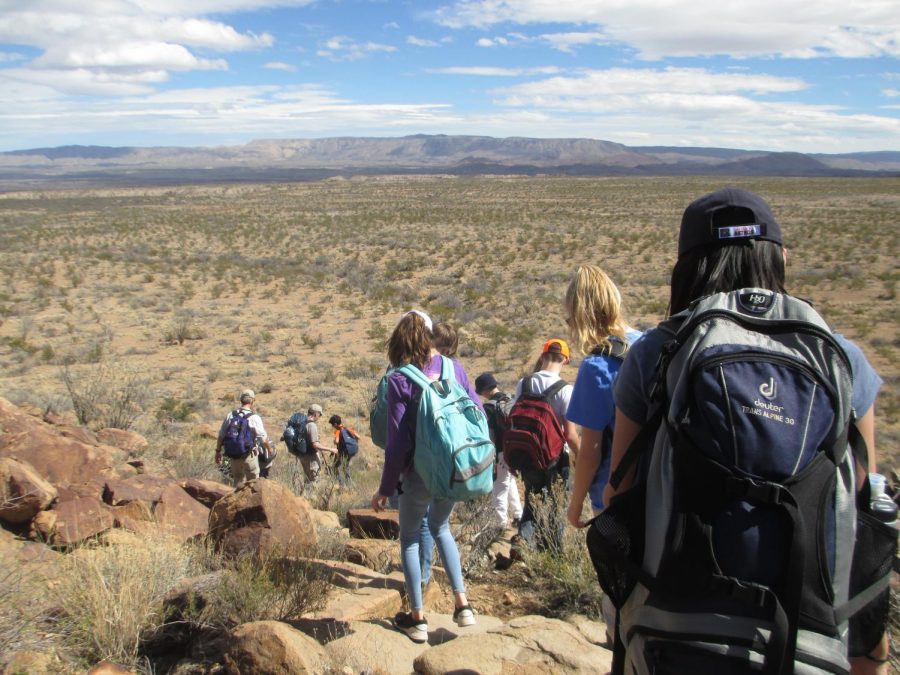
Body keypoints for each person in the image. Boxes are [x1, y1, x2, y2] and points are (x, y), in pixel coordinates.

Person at [607, 187, 886, 674]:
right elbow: (859, 507)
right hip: (808, 636)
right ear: (776, 258)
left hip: (675, 632)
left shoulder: (654, 353)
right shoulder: (842, 359)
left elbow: (620, 497)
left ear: (688, 267)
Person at [370, 310, 478, 643]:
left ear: (399, 340)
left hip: (417, 474)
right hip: (452, 469)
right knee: (442, 527)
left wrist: (385, 488)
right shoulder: (453, 367)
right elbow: (476, 408)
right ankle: (463, 604)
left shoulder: (399, 378)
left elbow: (397, 442)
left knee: (410, 538)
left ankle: (417, 618)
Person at [563, 266, 642, 528]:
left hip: (612, 497)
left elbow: (590, 452)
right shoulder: (649, 343)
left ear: (580, 315)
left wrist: (575, 507)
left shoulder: (598, 365)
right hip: (656, 486)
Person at [512, 338, 580, 552]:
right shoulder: (565, 390)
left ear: (542, 356)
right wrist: (583, 456)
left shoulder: (524, 383)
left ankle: (524, 543)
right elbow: (569, 434)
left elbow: (513, 419)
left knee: (532, 501)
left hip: (528, 454)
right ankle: (553, 551)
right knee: (556, 506)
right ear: (566, 360)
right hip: (555, 458)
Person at [475, 371, 523, 530]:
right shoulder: (510, 399)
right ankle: (518, 515)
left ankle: (501, 524)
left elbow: (491, 436)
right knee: (510, 483)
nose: (481, 395)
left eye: (481, 392)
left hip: (501, 452)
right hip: (515, 449)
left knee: (499, 488)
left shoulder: (488, 407)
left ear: (485, 390)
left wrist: (492, 458)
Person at [215, 389, 275, 487]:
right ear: (252, 401)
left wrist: (217, 452)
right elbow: (263, 439)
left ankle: (237, 501)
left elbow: (221, 435)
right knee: (254, 483)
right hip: (249, 455)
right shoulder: (254, 417)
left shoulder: (230, 415)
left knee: (238, 482)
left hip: (233, 455)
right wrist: (270, 449)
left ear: (241, 400)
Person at [303, 403, 337, 483]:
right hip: (311, 457)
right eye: (320, 415)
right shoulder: (312, 425)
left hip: (303, 456)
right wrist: (331, 449)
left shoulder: (304, 422)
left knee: (307, 480)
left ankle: (305, 495)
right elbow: (315, 444)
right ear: (316, 413)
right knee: (314, 481)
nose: (319, 417)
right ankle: (310, 495)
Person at [328, 414, 359, 485]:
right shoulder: (347, 428)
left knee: (335, 467)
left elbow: (336, 441)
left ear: (335, 424)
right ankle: (348, 484)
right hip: (352, 450)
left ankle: (341, 483)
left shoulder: (338, 431)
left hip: (344, 452)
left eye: (332, 425)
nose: (332, 427)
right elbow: (358, 436)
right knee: (345, 466)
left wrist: (334, 441)